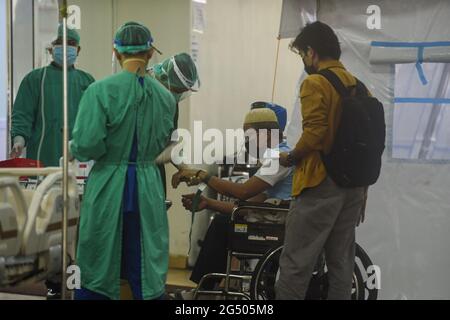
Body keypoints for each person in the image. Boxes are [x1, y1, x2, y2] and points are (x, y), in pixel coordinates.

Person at [70, 22, 177, 300]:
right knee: (145, 264)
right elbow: (166, 142)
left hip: (108, 186)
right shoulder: (166, 98)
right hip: (147, 189)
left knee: (98, 261)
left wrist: (73, 146)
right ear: (150, 53)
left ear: (116, 53)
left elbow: (86, 145)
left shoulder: (99, 91)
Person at [276, 21, 366, 300]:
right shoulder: (360, 87)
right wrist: (363, 190)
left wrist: (290, 157)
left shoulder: (315, 82)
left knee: (296, 263)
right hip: (354, 187)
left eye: (303, 54)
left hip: (320, 184)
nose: (304, 61)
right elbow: (368, 146)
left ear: (311, 52)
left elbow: (314, 133)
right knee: (341, 265)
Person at [172, 106, 293, 292]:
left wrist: (204, 176)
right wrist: (208, 203)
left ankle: (205, 288)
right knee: (224, 221)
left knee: (222, 224)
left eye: (250, 137)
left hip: (279, 223)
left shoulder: (279, 158)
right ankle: (206, 287)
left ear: (268, 135)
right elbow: (246, 206)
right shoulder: (274, 157)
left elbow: (243, 192)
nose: (247, 142)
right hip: (272, 218)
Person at [10, 25, 95, 167]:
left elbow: (95, 123)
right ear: (51, 48)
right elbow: (22, 116)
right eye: (60, 42)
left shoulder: (87, 81)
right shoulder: (35, 79)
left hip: (79, 161)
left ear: (78, 50)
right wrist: (19, 141)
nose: (66, 46)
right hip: (42, 157)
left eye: (71, 43)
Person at [149, 53, 200, 194]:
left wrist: (186, 169)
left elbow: (171, 143)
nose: (177, 96)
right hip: (131, 175)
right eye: (177, 91)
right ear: (166, 78)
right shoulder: (140, 92)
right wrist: (152, 159)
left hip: (154, 176)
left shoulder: (171, 103)